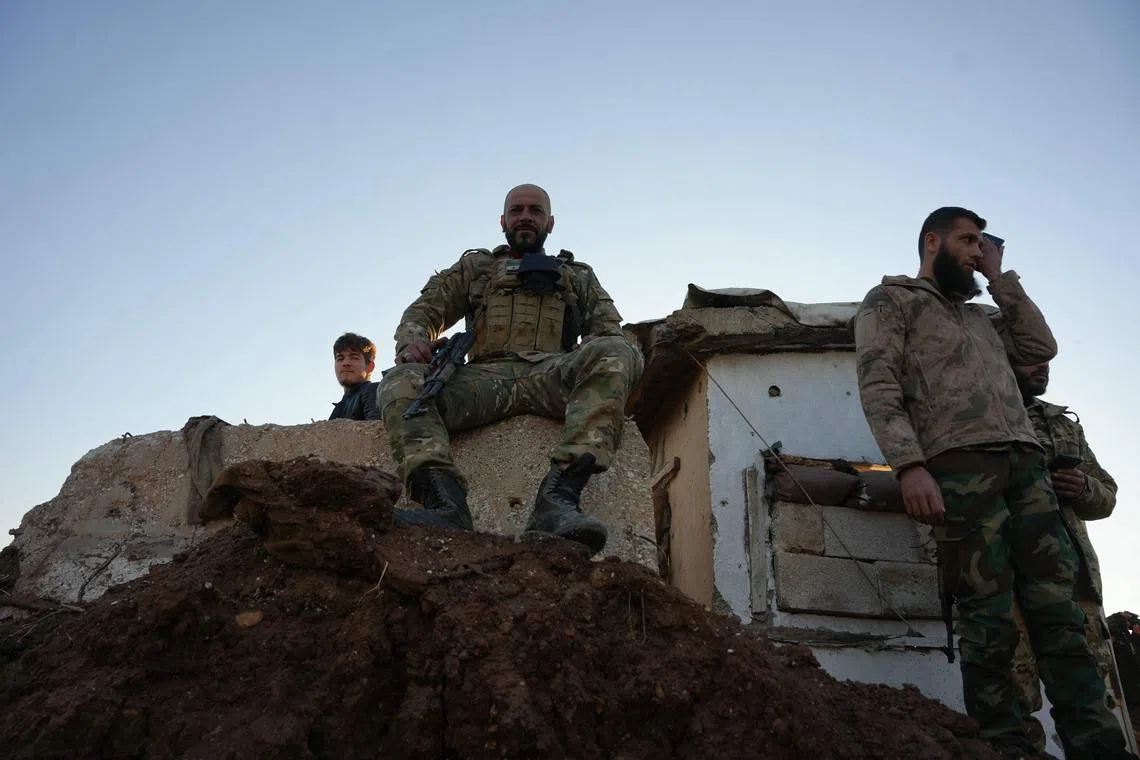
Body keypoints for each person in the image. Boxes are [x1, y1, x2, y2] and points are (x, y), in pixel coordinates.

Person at [853, 206, 1131, 759]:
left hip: (1026, 467)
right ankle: (1006, 747)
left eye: (983, 244)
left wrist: (1001, 277)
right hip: (959, 468)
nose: (977, 251)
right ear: (932, 242)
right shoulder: (891, 301)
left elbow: (1038, 348)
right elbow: (878, 384)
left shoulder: (983, 317)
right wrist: (910, 466)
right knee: (989, 618)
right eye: (968, 241)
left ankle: (1100, 746)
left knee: (1063, 617)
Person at [376, 184, 643, 555]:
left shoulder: (576, 275)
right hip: (484, 382)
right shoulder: (477, 268)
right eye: (517, 210)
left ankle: (558, 501)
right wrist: (413, 343)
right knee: (400, 382)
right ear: (503, 219)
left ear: (550, 222)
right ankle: (445, 505)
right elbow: (423, 313)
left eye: (535, 211)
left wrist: (596, 341)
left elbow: (610, 328)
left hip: (552, 375)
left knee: (616, 352)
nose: (525, 217)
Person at [1009, 361, 1120, 753]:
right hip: (1006, 578)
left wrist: (1083, 486)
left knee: (1088, 693)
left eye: (1047, 361)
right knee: (1013, 698)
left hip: (1074, 583)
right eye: (1029, 357)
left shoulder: (1063, 423)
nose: (1041, 367)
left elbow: (1106, 494)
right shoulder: (980, 411)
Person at [329, 332, 381, 421]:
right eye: (340, 358)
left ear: (370, 366)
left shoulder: (373, 391)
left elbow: (376, 431)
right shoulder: (339, 408)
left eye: (354, 357)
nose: (346, 363)